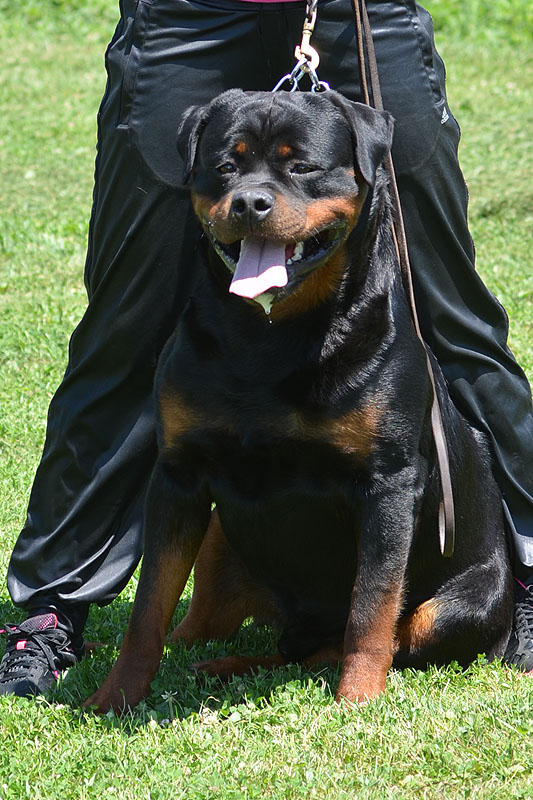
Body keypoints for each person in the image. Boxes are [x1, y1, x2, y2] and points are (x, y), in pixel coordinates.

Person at [1, 0, 532, 698]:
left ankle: (520, 577)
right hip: (188, 13)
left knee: (451, 314)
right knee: (123, 328)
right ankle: (50, 608)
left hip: (358, 9)